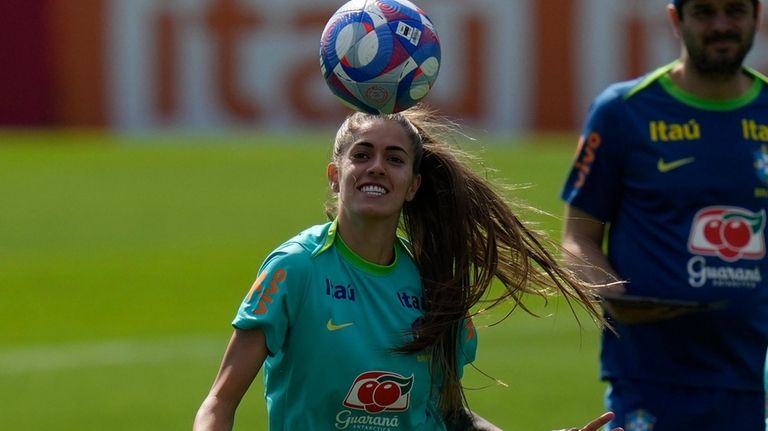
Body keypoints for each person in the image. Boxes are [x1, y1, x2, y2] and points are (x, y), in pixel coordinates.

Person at [194, 106, 622, 431]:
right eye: (362, 155)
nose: (376, 166)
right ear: (334, 174)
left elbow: (452, 416)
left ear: (413, 185)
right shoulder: (296, 267)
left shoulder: (434, 282)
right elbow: (220, 401)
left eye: (395, 158)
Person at [560, 0, 768, 430]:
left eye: (734, 11)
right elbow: (577, 237)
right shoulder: (623, 111)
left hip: (756, 382)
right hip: (650, 382)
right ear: (676, 20)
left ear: (756, 16)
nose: (721, 25)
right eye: (705, 12)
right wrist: (616, 296)